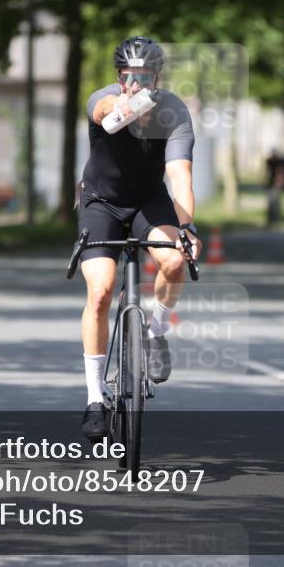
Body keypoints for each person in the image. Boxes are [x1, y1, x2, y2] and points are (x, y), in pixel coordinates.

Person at [77, 36, 201, 440]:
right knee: (101, 291)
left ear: (157, 78)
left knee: (174, 260)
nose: (136, 84)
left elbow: (180, 175)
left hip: (149, 200)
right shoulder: (107, 98)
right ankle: (96, 397)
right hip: (101, 201)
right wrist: (122, 106)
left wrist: (185, 228)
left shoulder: (174, 112)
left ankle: (156, 332)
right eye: (129, 77)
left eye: (145, 77)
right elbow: (101, 110)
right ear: (119, 77)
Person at [264, 150, 284, 226]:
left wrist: (280, 183)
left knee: (276, 201)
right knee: (271, 202)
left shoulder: (279, 163)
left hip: (276, 185)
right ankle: (271, 219)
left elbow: (280, 173)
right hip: (271, 185)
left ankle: (276, 219)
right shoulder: (269, 162)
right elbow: (266, 173)